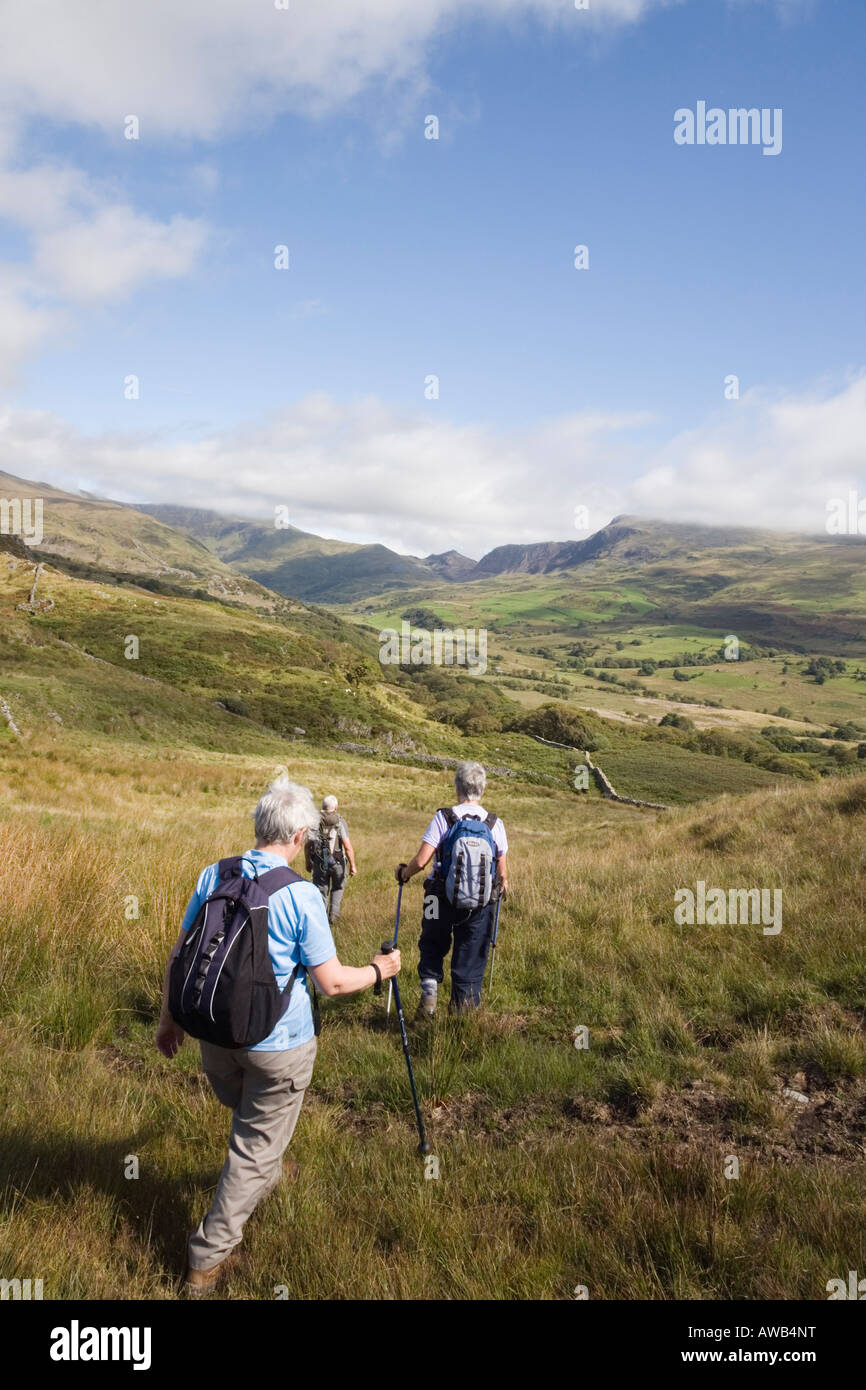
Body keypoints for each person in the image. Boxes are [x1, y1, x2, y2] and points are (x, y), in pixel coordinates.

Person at [155, 775, 400, 1297]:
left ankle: (267, 1164)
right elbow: (331, 983)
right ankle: (205, 1258)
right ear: (299, 837)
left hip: (214, 1036)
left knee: (250, 1121)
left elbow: (181, 955)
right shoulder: (301, 894)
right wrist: (381, 971)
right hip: (278, 1048)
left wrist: (168, 1018)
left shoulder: (214, 874)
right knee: (252, 1149)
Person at [394, 760, 508, 1019]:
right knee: (471, 951)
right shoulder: (494, 823)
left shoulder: (444, 817)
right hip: (480, 905)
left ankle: (430, 993)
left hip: (437, 899)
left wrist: (404, 874)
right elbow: (503, 874)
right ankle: (463, 1012)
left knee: (432, 942)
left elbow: (422, 861)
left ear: (457, 787)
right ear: (482, 790)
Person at [305, 794, 356, 924]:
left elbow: (308, 845)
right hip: (338, 862)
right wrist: (352, 866)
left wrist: (308, 862)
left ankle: (321, 919)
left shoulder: (314, 822)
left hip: (320, 862)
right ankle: (333, 916)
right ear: (336, 807)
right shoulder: (340, 821)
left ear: (322, 807)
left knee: (321, 890)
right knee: (338, 888)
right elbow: (348, 847)